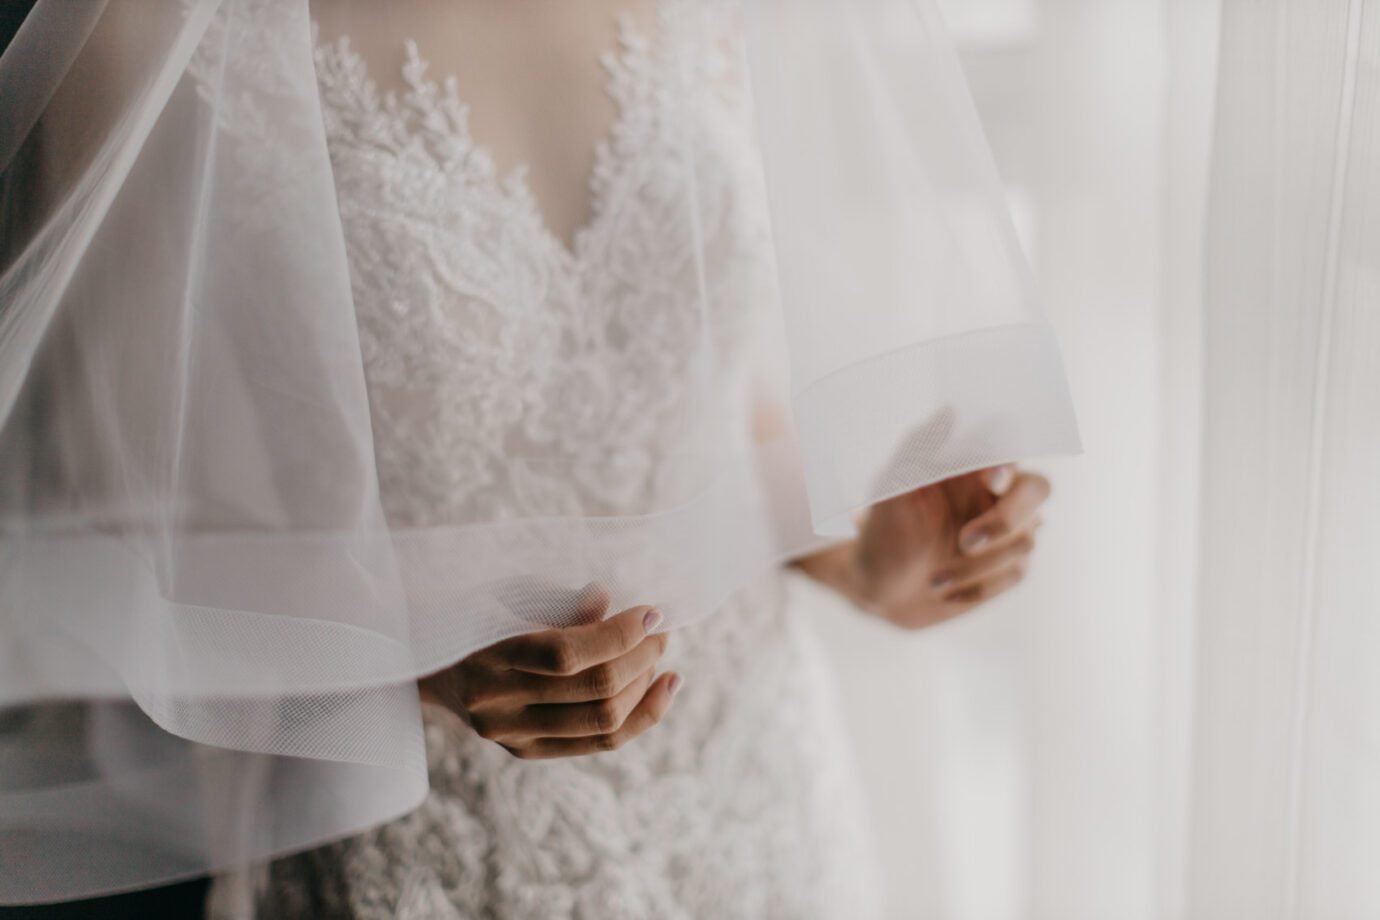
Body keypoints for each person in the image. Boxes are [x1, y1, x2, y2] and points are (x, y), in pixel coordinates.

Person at [0, 1, 1075, 916]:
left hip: (759, 798)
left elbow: (704, 414)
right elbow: (109, 568)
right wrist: (423, 664)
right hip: (437, 837)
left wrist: (857, 553)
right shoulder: (160, 32)